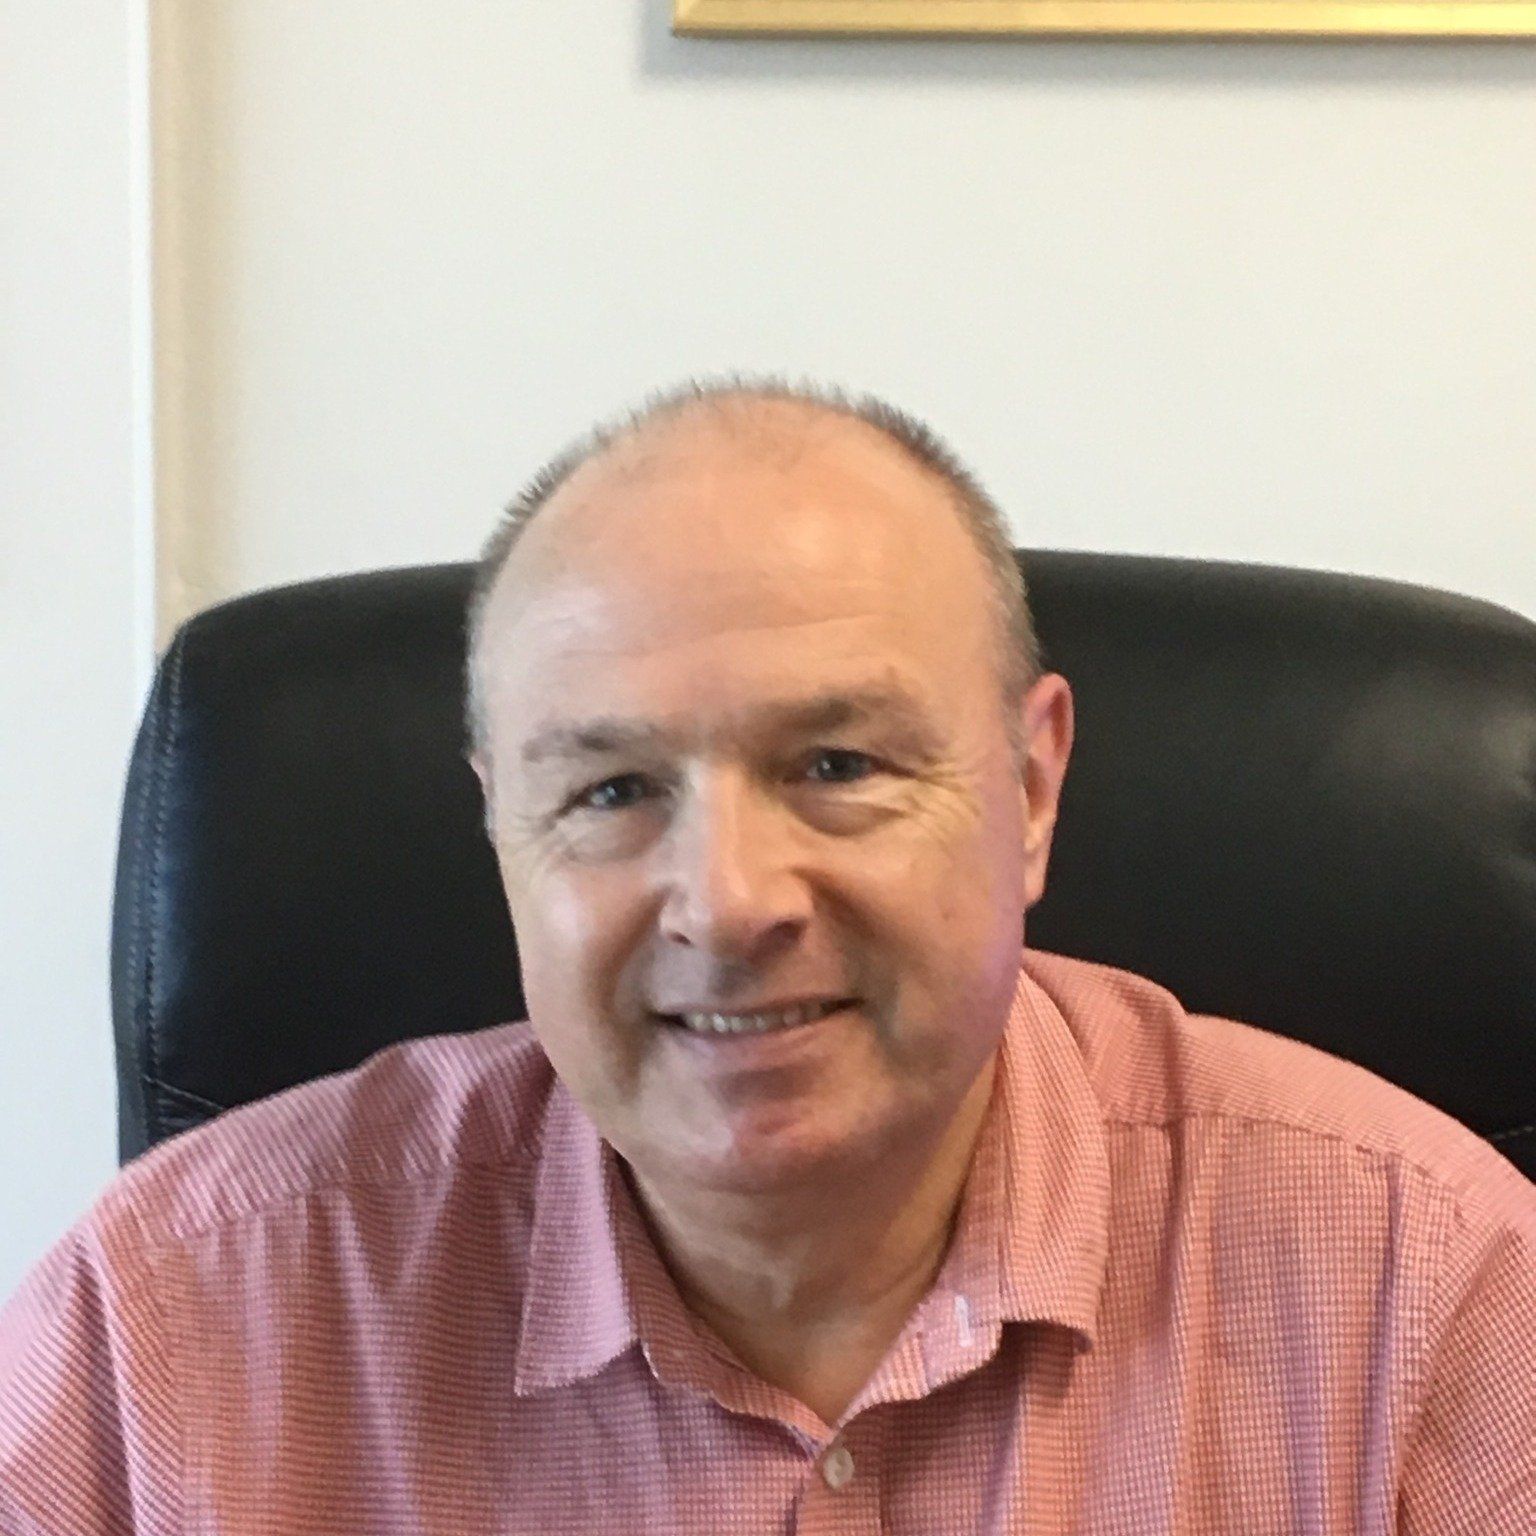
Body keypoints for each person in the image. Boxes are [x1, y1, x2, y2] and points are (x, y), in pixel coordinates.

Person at [1, 380, 1532, 1534]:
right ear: (499, 829)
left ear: (1032, 788)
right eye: (612, 791)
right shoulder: (169, 1328)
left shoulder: (1429, 1288)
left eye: (838, 766)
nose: (727, 904)